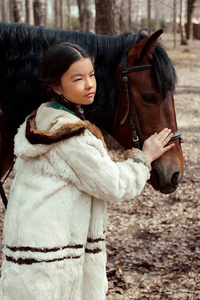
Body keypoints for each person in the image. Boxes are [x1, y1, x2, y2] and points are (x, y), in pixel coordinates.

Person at [0, 42, 174, 300]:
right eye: (78, 78)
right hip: (52, 263)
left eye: (91, 75)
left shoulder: (42, 120)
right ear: (57, 87)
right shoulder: (71, 136)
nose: (90, 84)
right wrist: (143, 157)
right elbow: (113, 185)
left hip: (33, 254)